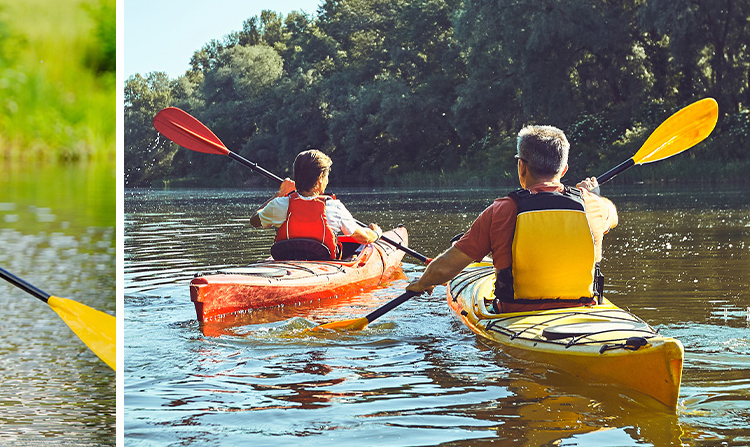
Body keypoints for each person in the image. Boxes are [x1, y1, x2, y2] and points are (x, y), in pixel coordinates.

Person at [406, 125, 618, 312]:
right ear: (563, 169)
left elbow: (445, 268)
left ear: (521, 166)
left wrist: (423, 282)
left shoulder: (501, 210)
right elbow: (612, 216)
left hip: (516, 314)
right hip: (582, 310)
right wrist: (592, 194)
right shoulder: (593, 206)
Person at [249, 149, 383, 261]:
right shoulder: (334, 208)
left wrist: (280, 193)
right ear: (320, 179)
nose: (327, 181)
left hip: (286, 264)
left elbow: (254, 220)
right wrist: (376, 234)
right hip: (325, 268)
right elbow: (363, 238)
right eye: (326, 176)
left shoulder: (279, 204)